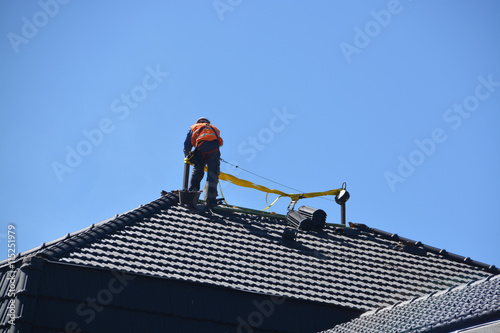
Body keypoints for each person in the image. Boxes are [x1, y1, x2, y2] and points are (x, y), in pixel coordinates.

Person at [184, 117, 223, 207]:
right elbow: (220, 142)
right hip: (214, 150)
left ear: (198, 122)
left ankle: (192, 196)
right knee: (213, 174)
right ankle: (211, 200)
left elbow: (187, 143)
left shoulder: (194, 127)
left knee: (197, 171)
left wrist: (187, 154)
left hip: (200, 148)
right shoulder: (214, 128)